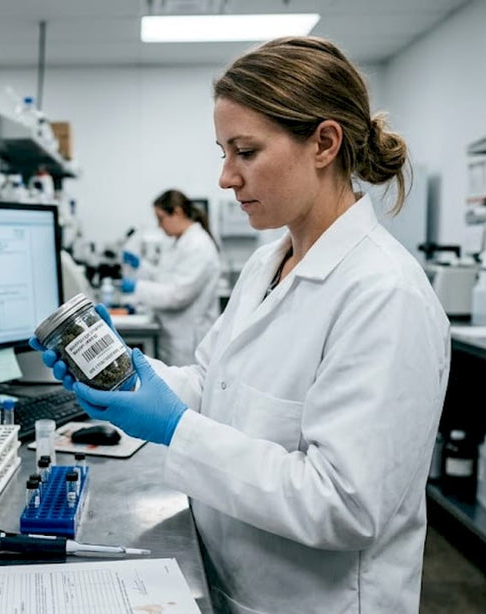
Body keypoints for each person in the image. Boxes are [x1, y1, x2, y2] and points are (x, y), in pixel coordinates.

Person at [32, 36, 450, 613]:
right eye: (222, 152)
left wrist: (177, 429)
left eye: (245, 152)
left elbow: (344, 505)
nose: (226, 178)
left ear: (324, 143)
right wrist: (125, 374)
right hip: (230, 578)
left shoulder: (385, 294)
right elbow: (213, 385)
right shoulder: (267, 261)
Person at [120, 189, 221, 366]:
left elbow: (178, 295)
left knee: (186, 391)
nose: (159, 226)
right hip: (174, 334)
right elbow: (165, 278)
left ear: (177, 212)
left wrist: (137, 287)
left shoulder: (198, 245)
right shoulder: (178, 241)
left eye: (161, 219)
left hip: (189, 340)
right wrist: (141, 266)